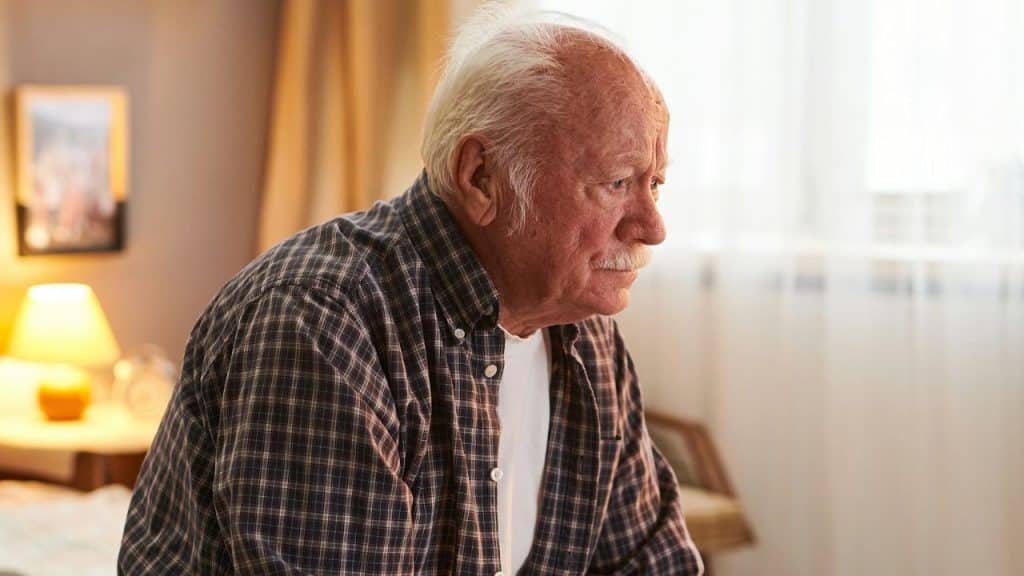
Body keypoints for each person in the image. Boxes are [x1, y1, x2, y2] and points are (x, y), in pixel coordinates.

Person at [119, 7, 703, 575]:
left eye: (654, 183)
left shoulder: (587, 337)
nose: (652, 226)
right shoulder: (320, 325)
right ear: (480, 177)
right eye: (617, 183)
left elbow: (650, 561)